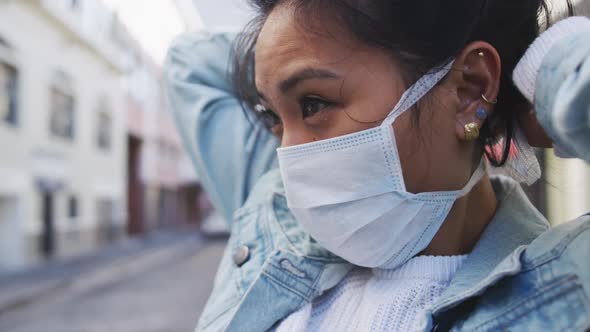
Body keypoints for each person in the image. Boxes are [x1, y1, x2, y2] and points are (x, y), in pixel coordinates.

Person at [165, 1, 590, 331]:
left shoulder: (567, 285)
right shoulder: (276, 216)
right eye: (271, 118)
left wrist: (551, 70)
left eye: (313, 104)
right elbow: (190, 60)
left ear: (470, 88)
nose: (287, 156)